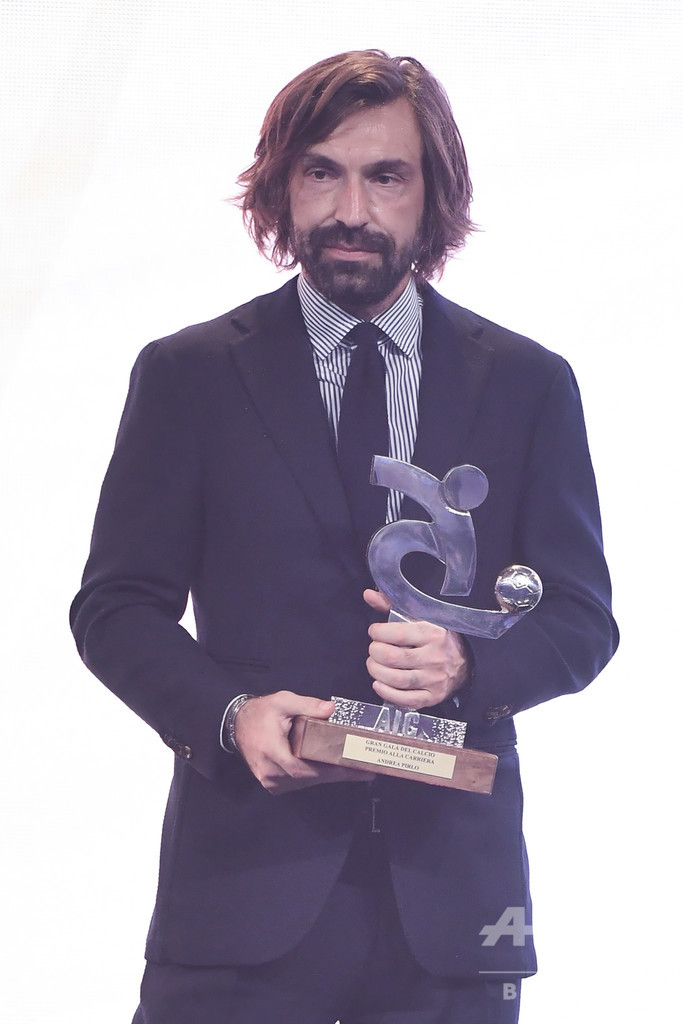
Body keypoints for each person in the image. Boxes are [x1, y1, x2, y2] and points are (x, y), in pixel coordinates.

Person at [70, 50, 618, 1023]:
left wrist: (467, 665)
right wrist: (229, 713)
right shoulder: (189, 376)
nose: (350, 209)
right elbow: (116, 607)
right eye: (321, 172)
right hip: (241, 892)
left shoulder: (527, 384)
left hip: (451, 903)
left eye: (385, 176)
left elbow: (579, 617)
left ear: (432, 194)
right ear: (281, 186)